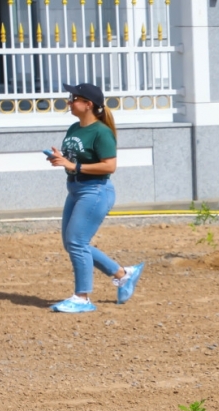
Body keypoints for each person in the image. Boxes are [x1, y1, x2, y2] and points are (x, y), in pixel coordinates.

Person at [46, 82, 144, 313]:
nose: (69, 102)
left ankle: (82, 298)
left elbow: (109, 166)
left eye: (73, 98)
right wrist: (60, 158)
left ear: (88, 104)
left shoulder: (102, 132)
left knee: (76, 243)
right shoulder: (74, 128)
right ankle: (122, 274)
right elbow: (75, 160)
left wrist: (73, 165)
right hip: (76, 189)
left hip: (95, 191)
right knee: (72, 244)